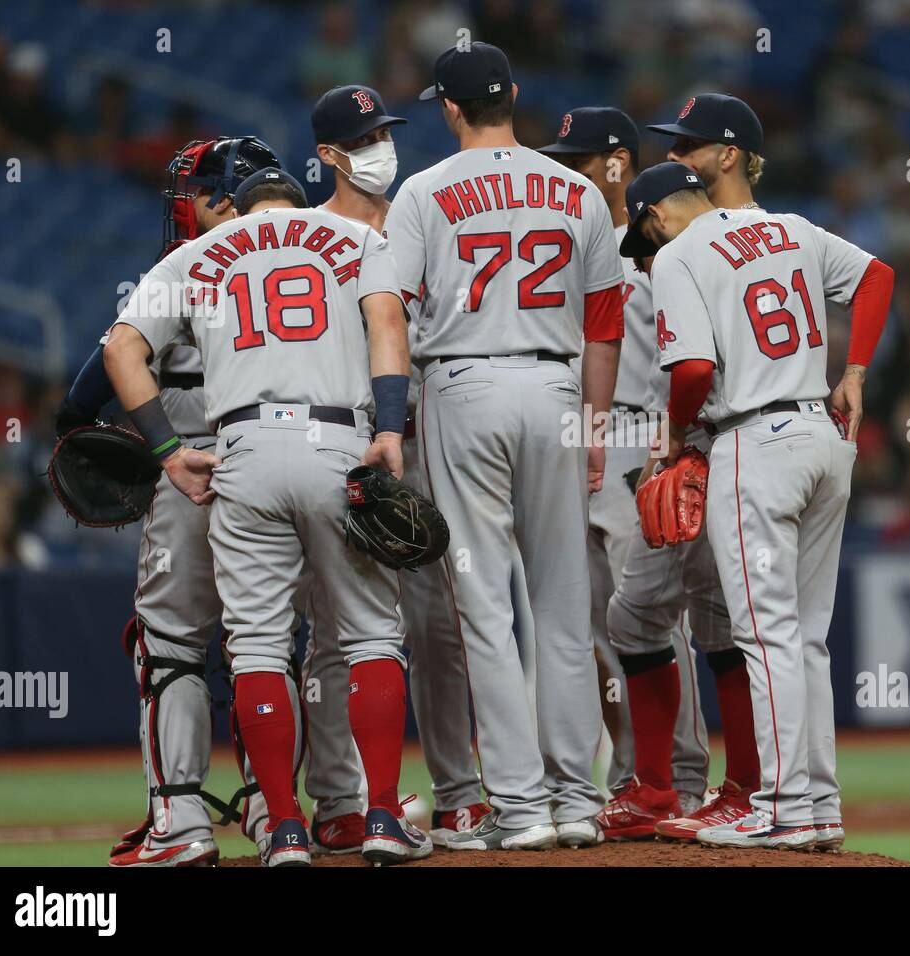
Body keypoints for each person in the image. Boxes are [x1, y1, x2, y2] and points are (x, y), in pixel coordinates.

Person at [104, 168, 431, 867]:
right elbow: (388, 321)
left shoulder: (193, 255)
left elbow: (118, 351)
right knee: (371, 635)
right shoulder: (350, 234)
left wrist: (169, 452)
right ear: (296, 199)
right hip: (337, 440)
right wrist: (392, 429)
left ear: (241, 207)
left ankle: (283, 830)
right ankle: (379, 816)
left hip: (240, 450)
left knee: (255, 644)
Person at [384, 42, 625, 850]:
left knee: (483, 603)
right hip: (557, 386)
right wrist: (594, 429)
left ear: (449, 108)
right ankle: (578, 802)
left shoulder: (423, 192)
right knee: (563, 604)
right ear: (513, 96)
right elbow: (603, 327)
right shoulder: (578, 191)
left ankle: (519, 809)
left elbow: (393, 308)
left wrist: (390, 413)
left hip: (463, 383)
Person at [621, 161, 891, 848]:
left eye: (643, 242)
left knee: (765, 635)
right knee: (805, 636)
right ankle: (820, 804)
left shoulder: (680, 255)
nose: (646, 256)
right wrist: (854, 369)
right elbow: (878, 277)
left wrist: (678, 434)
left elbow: (694, 371)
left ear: (654, 217)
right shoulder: (789, 227)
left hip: (753, 442)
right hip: (823, 436)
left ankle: (780, 804)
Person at [57, 137, 295, 867]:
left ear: (225, 198)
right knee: (269, 645)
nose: (184, 206)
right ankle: (276, 808)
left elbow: (86, 394)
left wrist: (107, 438)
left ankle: (181, 818)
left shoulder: (180, 268)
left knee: (170, 645)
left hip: (189, 459)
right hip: (289, 458)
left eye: (194, 192)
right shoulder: (308, 255)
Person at [312, 82, 491, 843]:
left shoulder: (418, 221)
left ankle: (460, 790)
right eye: (361, 139)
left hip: (428, 444)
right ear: (328, 156)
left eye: (382, 132)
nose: (379, 149)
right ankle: (343, 802)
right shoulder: (307, 237)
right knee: (331, 636)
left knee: (443, 627)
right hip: (345, 449)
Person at [537, 106, 710, 816]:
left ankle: (685, 776)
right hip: (576, 442)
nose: (563, 171)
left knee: (651, 615)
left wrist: (682, 440)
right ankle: (635, 779)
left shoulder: (668, 243)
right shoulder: (578, 246)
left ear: (615, 163)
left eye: (575, 159)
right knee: (600, 628)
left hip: (644, 440)